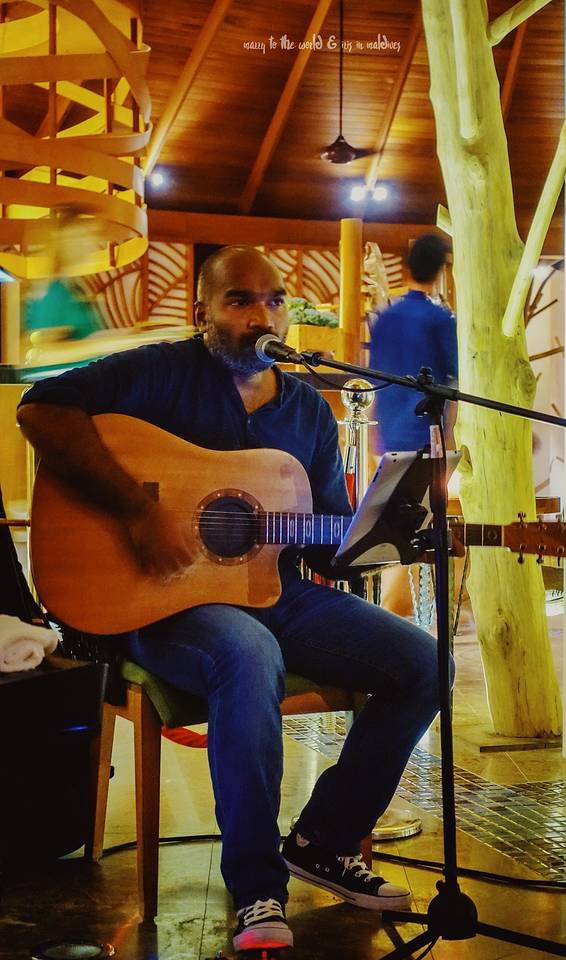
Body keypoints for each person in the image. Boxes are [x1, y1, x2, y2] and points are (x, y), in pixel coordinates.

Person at [17, 246, 451, 953]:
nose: (261, 316)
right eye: (239, 300)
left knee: (426, 663)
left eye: (274, 300)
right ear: (204, 312)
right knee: (248, 653)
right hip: (160, 603)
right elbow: (41, 410)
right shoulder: (159, 372)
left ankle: (324, 839)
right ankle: (256, 890)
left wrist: (385, 537)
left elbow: (324, 543)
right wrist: (137, 511)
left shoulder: (307, 411)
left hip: (275, 592)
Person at [369, 233, 458, 453]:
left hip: (388, 426)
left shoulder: (385, 317)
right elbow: (456, 374)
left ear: (406, 267)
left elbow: (374, 376)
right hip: (427, 430)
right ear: (439, 271)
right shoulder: (440, 319)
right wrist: (449, 431)